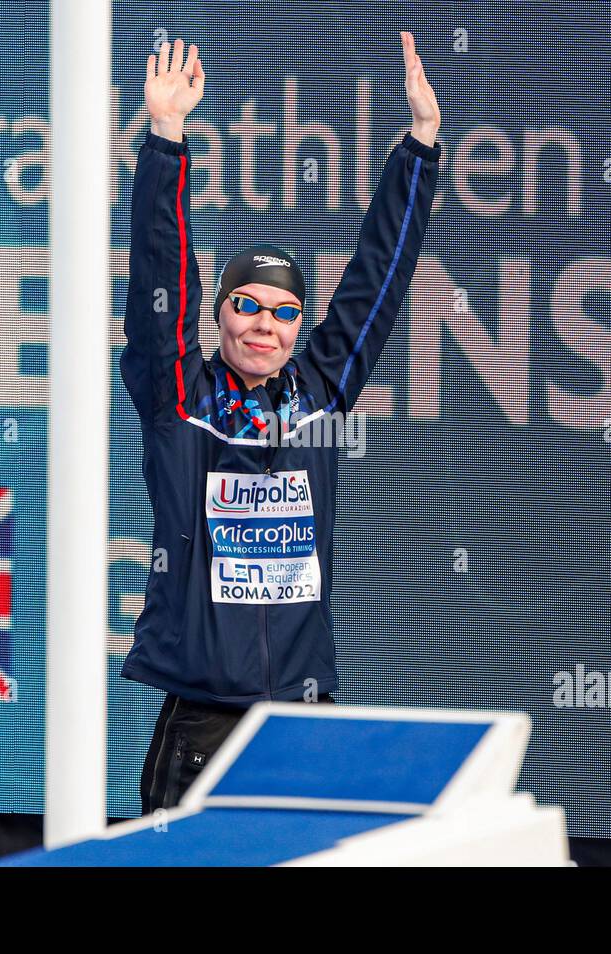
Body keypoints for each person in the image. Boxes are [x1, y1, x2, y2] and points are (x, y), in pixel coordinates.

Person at [122, 32, 442, 815]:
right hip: (205, 722)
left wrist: (421, 147)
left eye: (286, 312)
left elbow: (377, 283)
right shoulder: (181, 401)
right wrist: (167, 138)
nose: (266, 325)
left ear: (301, 327)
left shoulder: (321, 395)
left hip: (303, 719)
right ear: (222, 315)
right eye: (248, 306)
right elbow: (159, 280)